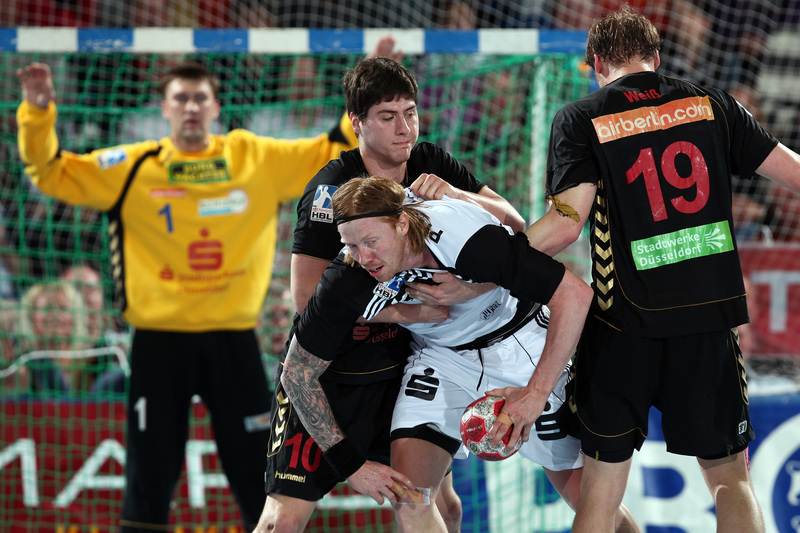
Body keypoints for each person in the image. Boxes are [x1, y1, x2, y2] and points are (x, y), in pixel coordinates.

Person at [16, 53, 360, 531]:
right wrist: (37, 113)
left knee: (258, 477)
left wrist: (367, 86)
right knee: (149, 478)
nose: (191, 107)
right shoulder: (134, 165)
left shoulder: (252, 156)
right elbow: (51, 171)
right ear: (164, 108)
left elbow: (333, 148)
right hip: (159, 344)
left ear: (216, 107)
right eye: (181, 98)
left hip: (233, 342)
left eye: (200, 98)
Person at [522, 6, 800, 532]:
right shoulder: (714, 105)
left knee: (600, 495)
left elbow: (565, 226)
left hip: (622, 327)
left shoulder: (581, 118)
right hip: (707, 324)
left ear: (597, 64)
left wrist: (495, 258)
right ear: (656, 56)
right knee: (730, 480)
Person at [255, 55, 525, 533]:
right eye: (387, 116)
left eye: (410, 113)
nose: (405, 129)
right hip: (330, 375)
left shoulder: (430, 163)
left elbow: (514, 224)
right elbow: (306, 299)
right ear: (356, 122)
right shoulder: (331, 192)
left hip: (401, 372)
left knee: (440, 507)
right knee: (282, 522)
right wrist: (408, 313)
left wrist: (458, 195)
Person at [278, 175, 638, 532]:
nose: (364, 257)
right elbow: (296, 374)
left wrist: (535, 393)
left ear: (402, 223)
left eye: (371, 242)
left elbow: (574, 295)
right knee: (411, 497)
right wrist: (351, 466)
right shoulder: (348, 275)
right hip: (440, 356)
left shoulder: (463, 237)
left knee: (588, 500)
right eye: (351, 245)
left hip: (516, 341)